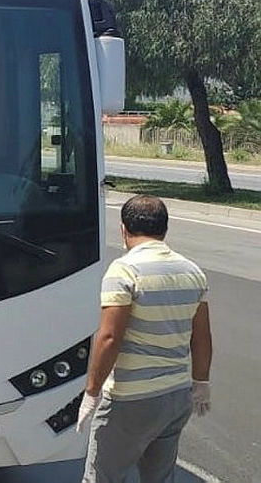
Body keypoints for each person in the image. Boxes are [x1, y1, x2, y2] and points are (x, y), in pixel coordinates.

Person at [77, 195, 212, 483]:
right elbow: (201, 337)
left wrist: (92, 392)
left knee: (101, 478)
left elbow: (110, 337)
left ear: (123, 229)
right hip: (176, 396)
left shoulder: (124, 270)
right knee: (158, 477)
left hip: (130, 399)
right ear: (165, 229)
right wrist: (201, 382)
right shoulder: (193, 272)